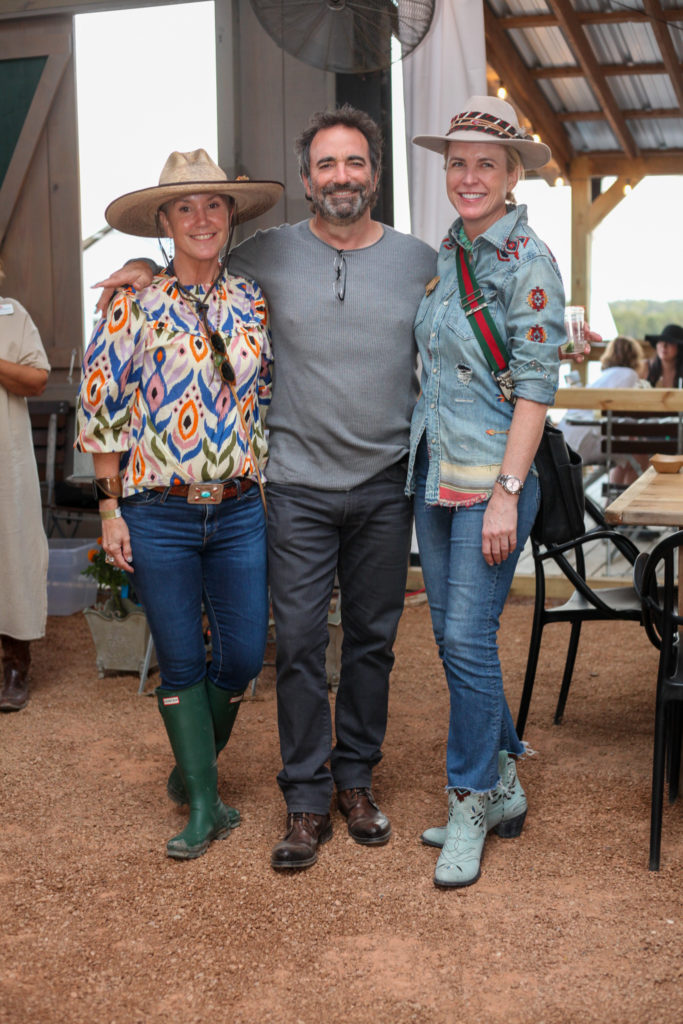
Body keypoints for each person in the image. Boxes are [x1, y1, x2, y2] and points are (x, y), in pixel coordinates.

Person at [95, 105, 438, 871]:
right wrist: (143, 271)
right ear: (308, 179)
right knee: (300, 647)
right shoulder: (266, 257)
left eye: (353, 163)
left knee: (374, 643)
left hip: (384, 486)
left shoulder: (421, 261)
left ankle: (356, 782)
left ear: (373, 173)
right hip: (293, 488)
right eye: (325, 165)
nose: (340, 177)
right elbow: (191, 267)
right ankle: (306, 798)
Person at [76, 149, 283, 860]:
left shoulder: (251, 301)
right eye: (185, 207)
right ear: (162, 222)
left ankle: (192, 761)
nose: (203, 218)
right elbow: (102, 418)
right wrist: (110, 514)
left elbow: (263, 401)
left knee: (243, 656)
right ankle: (203, 803)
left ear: (230, 217)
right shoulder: (129, 302)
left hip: (236, 508)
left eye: (215, 205)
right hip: (156, 509)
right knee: (180, 661)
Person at [406, 95, 564, 888]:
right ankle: (502, 786)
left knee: (466, 642)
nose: (469, 176)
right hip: (436, 473)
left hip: (490, 484)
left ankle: (471, 796)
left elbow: (535, 388)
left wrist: (507, 491)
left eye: (485, 165)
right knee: (452, 642)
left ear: (510, 175)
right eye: (457, 163)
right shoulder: (450, 251)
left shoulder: (526, 258)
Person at [0, 268, 50, 711]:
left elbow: (37, 380)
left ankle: (14, 666)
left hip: (5, 464)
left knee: (12, 556)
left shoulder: (12, 315)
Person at [559, 335, 646, 486]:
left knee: (628, 455)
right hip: (586, 441)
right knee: (638, 457)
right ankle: (618, 504)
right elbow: (627, 419)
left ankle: (610, 503)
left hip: (565, 437)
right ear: (635, 357)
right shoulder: (629, 376)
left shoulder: (605, 376)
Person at [642, 323, 683, 388]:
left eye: (670, 342)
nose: (664, 346)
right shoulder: (644, 367)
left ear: (679, 348)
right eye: (661, 341)